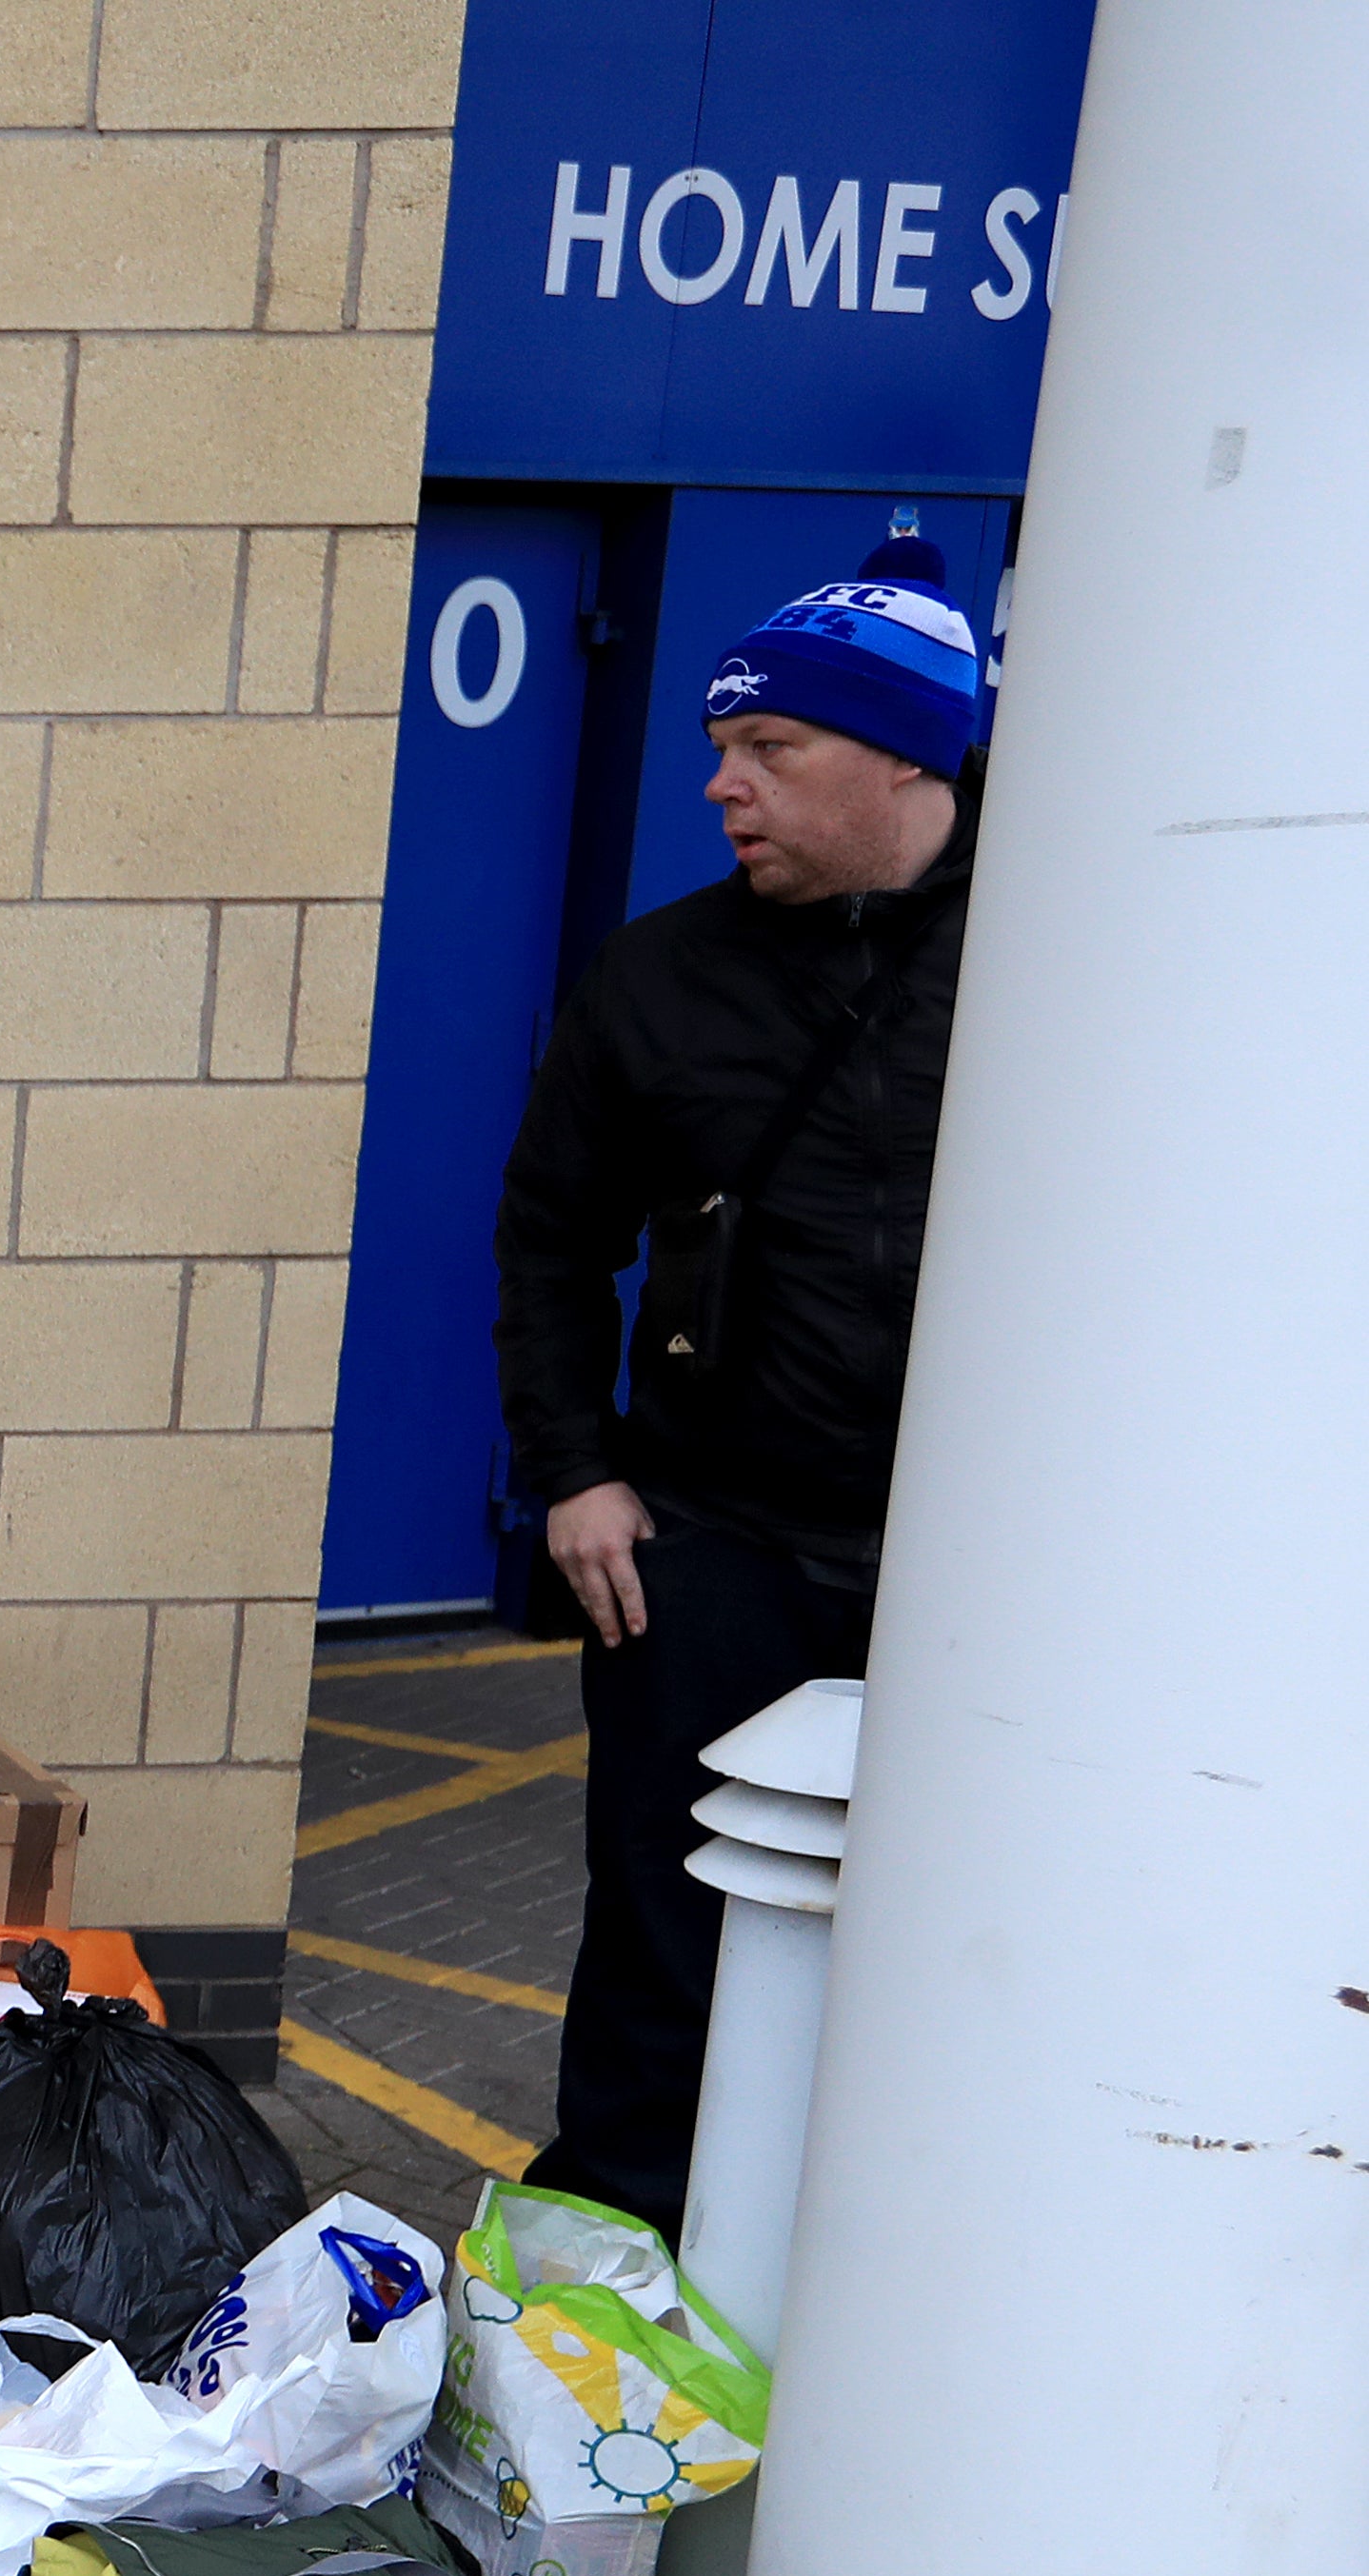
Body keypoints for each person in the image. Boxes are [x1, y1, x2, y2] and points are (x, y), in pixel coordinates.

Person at [493, 526, 985, 2226]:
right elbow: (549, 1238)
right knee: (665, 1931)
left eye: (768, 749)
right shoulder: (660, 976)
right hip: (713, 1538)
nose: (723, 786)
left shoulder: (1078, 954)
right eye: (718, 748)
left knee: (965, 1931)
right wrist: (572, 1470)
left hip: (987, 1561)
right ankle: (603, 2296)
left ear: (904, 755)